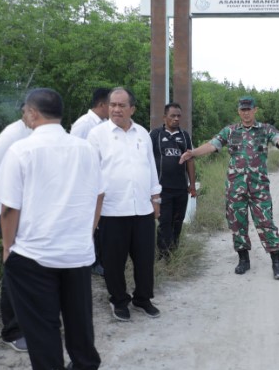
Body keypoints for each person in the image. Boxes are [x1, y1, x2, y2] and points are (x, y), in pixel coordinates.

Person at [0, 88, 102, 370]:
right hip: (77, 251)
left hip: (34, 254)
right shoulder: (85, 149)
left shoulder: (22, 151)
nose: (25, 116)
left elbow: (9, 208)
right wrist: (88, 231)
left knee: (42, 324)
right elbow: (99, 194)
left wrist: (6, 247)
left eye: (26, 111)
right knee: (79, 316)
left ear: (33, 113)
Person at [179, 96, 279, 280]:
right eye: (242, 110)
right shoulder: (230, 131)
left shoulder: (265, 129)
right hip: (235, 187)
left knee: (266, 223)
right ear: (239, 111)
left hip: (259, 188)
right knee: (237, 224)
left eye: (249, 109)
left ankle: (277, 262)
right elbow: (212, 145)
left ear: (255, 110)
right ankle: (243, 259)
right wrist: (193, 153)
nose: (246, 113)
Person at [87, 87, 162, 321]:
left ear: (132, 109)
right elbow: (89, 175)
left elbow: (150, 167)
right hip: (111, 210)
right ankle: (119, 301)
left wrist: (155, 198)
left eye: (121, 105)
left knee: (144, 259)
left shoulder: (142, 134)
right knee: (113, 261)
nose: (116, 109)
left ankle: (142, 298)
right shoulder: (97, 135)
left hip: (142, 208)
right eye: (112, 105)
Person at [0, 113, 31, 353]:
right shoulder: (13, 134)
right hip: (11, 213)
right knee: (14, 268)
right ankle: (12, 330)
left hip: (31, 214)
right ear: (28, 112)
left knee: (31, 270)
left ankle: (29, 323)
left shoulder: (34, 134)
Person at [71, 87, 111, 277]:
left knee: (101, 223)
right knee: (90, 223)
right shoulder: (84, 124)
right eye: (110, 104)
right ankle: (92, 262)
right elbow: (73, 155)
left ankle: (100, 260)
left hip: (101, 180)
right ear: (102, 104)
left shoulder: (105, 124)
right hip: (86, 182)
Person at [150, 102, 197, 260]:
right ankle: (163, 255)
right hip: (162, 189)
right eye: (172, 116)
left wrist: (192, 185)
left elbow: (190, 161)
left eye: (178, 116)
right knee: (164, 223)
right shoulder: (155, 135)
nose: (176, 119)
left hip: (181, 189)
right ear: (164, 117)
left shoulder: (184, 136)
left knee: (178, 222)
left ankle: (173, 253)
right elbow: (147, 160)